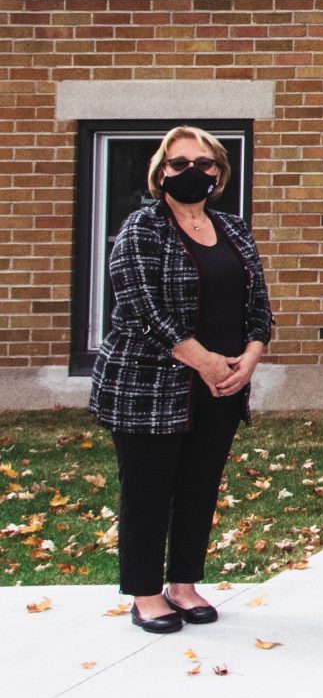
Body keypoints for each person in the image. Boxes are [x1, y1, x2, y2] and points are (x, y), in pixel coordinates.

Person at [88, 126, 273, 634]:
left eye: (205, 163)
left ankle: (184, 585)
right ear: (160, 173)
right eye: (180, 163)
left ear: (219, 172)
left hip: (219, 389)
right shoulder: (141, 229)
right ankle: (146, 594)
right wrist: (206, 360)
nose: (193, 172)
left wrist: (251, 355)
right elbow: (142, 309)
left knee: (199, 488)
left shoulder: (234, 228)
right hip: (148, 386)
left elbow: (258, 305)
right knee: (148, 490)